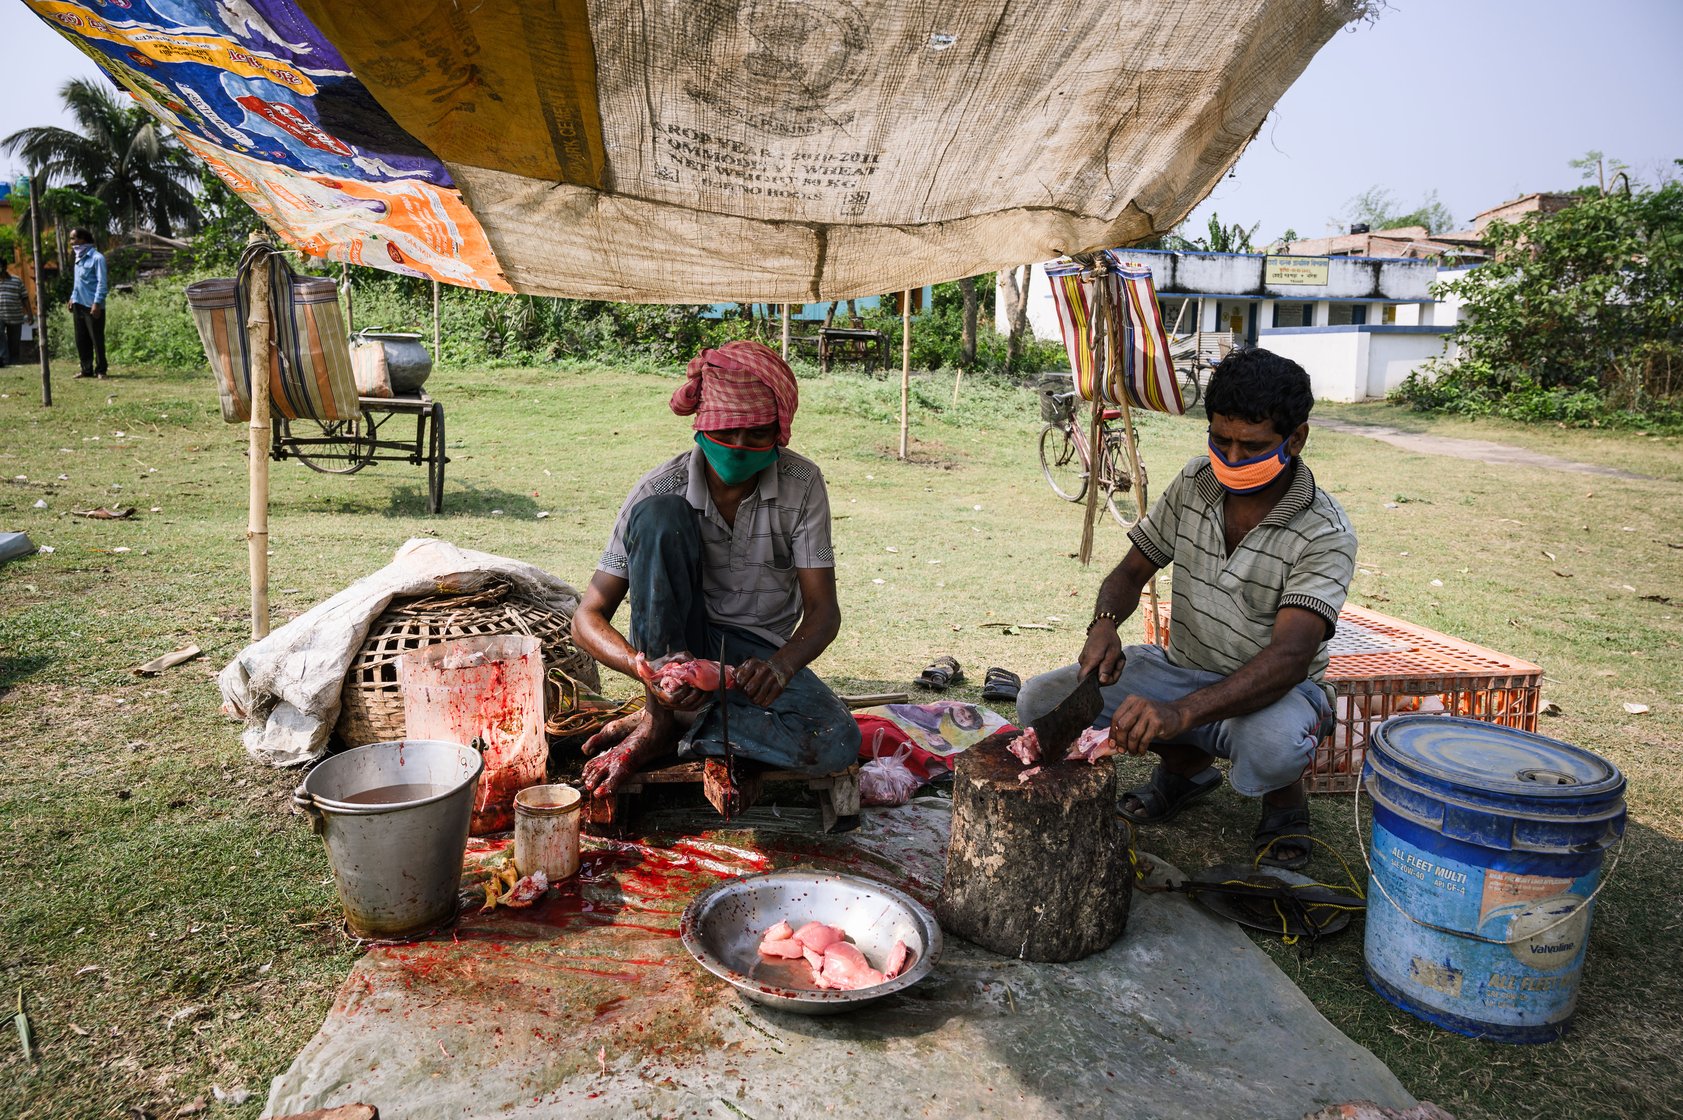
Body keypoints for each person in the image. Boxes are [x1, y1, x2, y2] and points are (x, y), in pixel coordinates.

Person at [1016, 348, 1356, 870]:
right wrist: (1104, 625)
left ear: (1297, 438)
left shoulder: (1324, 532)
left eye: (1252, 446)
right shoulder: (1196, 481)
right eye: (1221, 440)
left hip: (1273, 692)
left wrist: (1181, 713)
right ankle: (1186, 769)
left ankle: (1285, 804)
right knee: (1042, 701)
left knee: (1273, 744)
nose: (1233, 459)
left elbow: (1289, 658)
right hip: (1178, 670)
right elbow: (1130, 572)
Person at [571, 340, 861, 815]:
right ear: (701, 427)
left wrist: (781, 667)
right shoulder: (658, 488)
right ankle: (661, 716)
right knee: (659, 518)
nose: (741, 448)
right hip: (676, 654)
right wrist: (642, 667)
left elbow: (824, 613)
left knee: (835, 738)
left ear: (779, 431)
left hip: (758, 659)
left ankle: (679, 725)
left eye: (756, 434)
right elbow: (587, 616)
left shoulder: (803, 484)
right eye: (727, 433)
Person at [67, 228, 109, 379]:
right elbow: (77, 283)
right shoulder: (78, 258)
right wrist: (72, 298)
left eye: (74, 239)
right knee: (81, 339)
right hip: (78, 303)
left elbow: (102, 283)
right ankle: (86, 369)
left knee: (96, 339)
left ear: (83, 239)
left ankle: (101, 370)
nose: (72, 242)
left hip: (92, 306)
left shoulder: (97, 258)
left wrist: (97, 303)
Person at [0, 262, 28, 368]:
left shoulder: (16, 280)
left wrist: (29, 313)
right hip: (0, 315)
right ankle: (3, 359)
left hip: (15, 315)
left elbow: (24, 297)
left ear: (4, 267)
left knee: (14, 340)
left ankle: (14, 360)